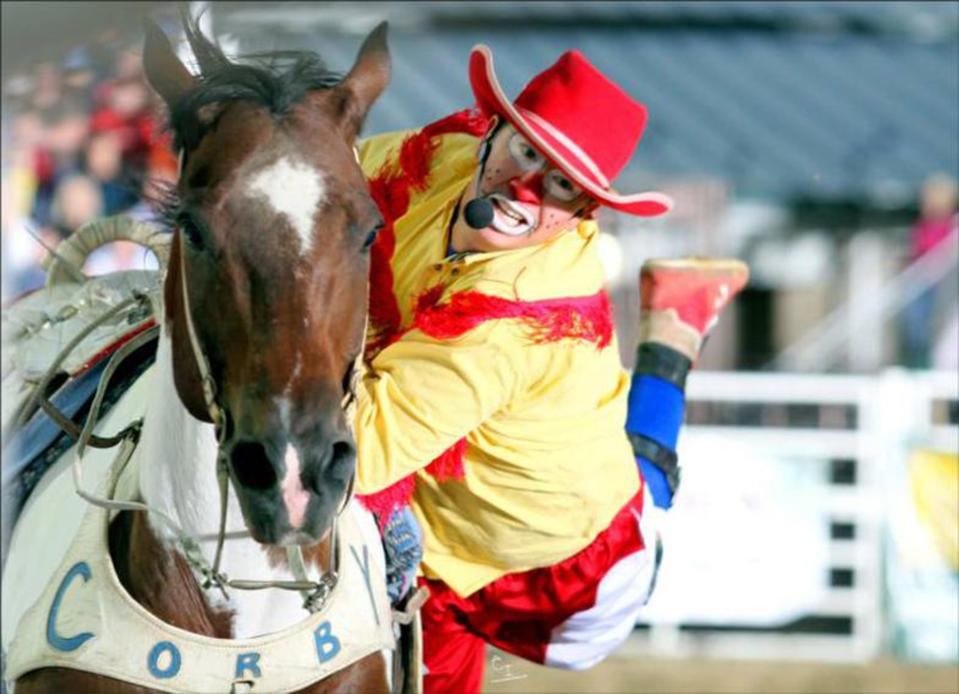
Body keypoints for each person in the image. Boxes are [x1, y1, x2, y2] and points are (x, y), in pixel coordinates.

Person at [351, 45, 748, 692]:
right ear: (491, 130)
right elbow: (318, 188)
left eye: (562, 183)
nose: (525, 189)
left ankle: (674, 331)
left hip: (553, 572)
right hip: (429, 515)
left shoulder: (509, 322)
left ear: (584, 212)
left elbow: (357, 455)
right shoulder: (439, 156)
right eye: (527, 151)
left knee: (645, 483)